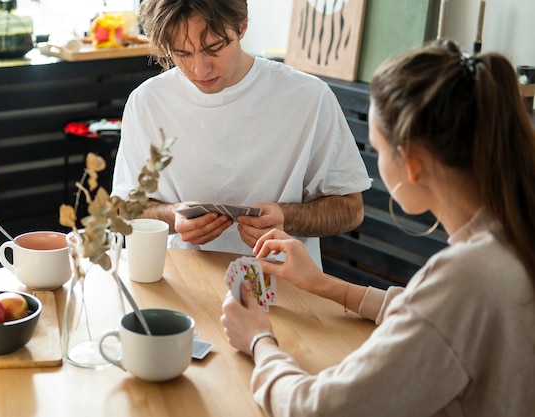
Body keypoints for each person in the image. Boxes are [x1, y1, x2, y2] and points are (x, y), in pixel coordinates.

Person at [221, 40, 535, 416]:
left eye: (377, 149)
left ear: (412, 162)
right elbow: (435, 318)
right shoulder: (512, 237)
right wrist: (326, 286)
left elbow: (318, 409)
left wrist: (259, 340)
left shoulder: (469, 276)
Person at [111, 0, 371, 266]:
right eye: (182, 53)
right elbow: (124, 208)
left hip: (283, 281)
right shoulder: (147, 101)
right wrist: (170, 216)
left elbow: (351, 209)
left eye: (214, 48)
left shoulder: (308, 97)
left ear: (242, 27)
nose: (200, 69)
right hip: (182, 278)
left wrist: (286, 216)